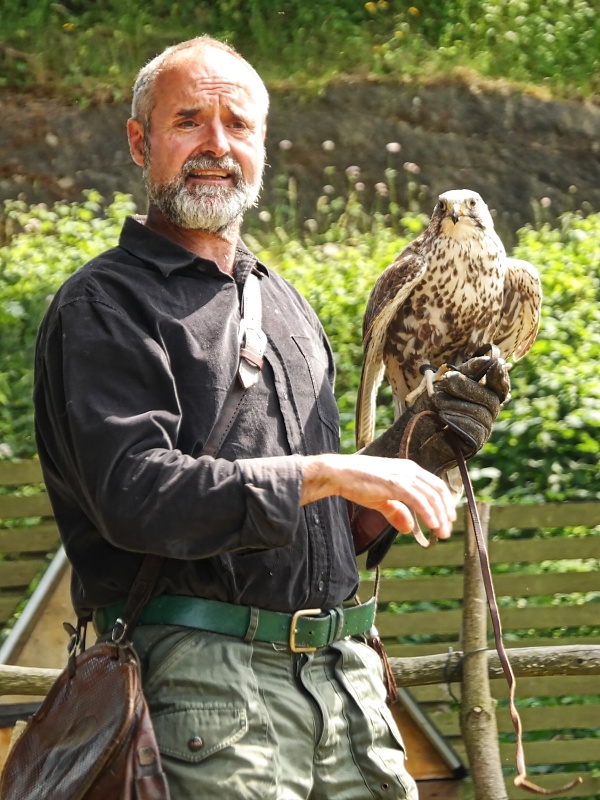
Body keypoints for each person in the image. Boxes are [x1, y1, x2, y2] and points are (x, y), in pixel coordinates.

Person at [33, 36, 509, 800]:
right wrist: (326, 470)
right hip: (201, 687)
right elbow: (135, 495)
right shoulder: (105, 304)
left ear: (262, 146)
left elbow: (326, 526)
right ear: (139, 142)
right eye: (188, 121)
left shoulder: (288, 306)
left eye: (238, 125)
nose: (216, 145)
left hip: (347, 685)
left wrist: (416, 452)